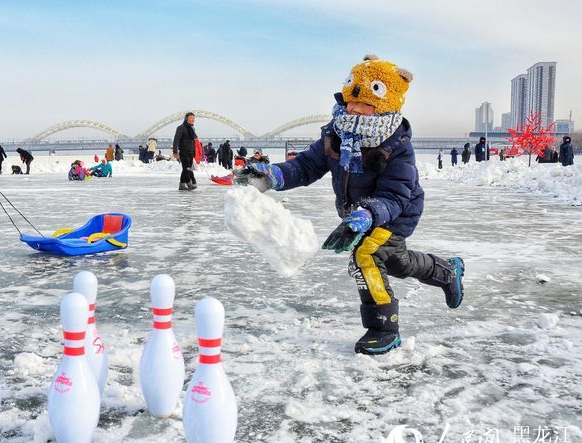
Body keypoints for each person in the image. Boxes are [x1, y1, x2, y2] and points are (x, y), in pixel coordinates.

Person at [236, 55, 465, 355]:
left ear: (384, 105)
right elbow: (306, 165)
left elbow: (395, 195)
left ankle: (384, 327)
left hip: (394, 213)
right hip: (361, 213)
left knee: (365, 256)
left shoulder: (397, 146)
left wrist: (367, 214)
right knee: (397, 262)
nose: (354, 109)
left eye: (365, 105)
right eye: (352, 102)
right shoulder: (337, 135)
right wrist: (275, 175)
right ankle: (447, 272)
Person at [173, 112, 198, 190]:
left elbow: (193, 141)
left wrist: (194, 151)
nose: (192, 120)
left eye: (193, 118)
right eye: (190, 118)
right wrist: (175, 151)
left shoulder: (192, 129)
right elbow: (176, 140)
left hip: (190, 152)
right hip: (184, 151)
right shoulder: (181, 128)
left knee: (186, 169)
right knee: (187, 168)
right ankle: (189, 183)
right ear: (186, 119)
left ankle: (182, 185)